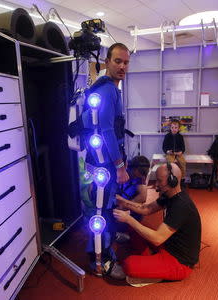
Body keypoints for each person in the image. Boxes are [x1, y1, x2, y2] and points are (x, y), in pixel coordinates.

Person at [80, 43, 130, 278]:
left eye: (125, 62)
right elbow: (108, 131)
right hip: (105, 162)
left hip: (100, 159)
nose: (122, 66)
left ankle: (108, 239)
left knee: (105, 206)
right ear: (107, 61)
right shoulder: (108, 89)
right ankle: (101, 261)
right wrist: (119, 165)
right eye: (117, 61)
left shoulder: (106, 87)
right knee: (100, 209)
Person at [113, 163, 201, 286]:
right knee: (135, 227)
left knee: (128, 264)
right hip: (168, 245)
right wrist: (123, 202)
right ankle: (151, 263)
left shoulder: (181, 205)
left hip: (180, 263)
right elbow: (146, 209)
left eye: (160, 181)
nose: (156, 184)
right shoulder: (169, 195)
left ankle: (152, 267)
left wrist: (128, 219)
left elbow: (157, 239)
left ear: (172, 181)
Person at [115, 155, 150, 243]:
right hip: (116, 205)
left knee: (138, 213)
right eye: (134, 174)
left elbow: (143, 197)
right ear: (131, 168)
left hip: (127, 209)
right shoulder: (121, 173)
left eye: (139, 176)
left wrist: (126, 206)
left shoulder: (140, 178)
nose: (135, 177)